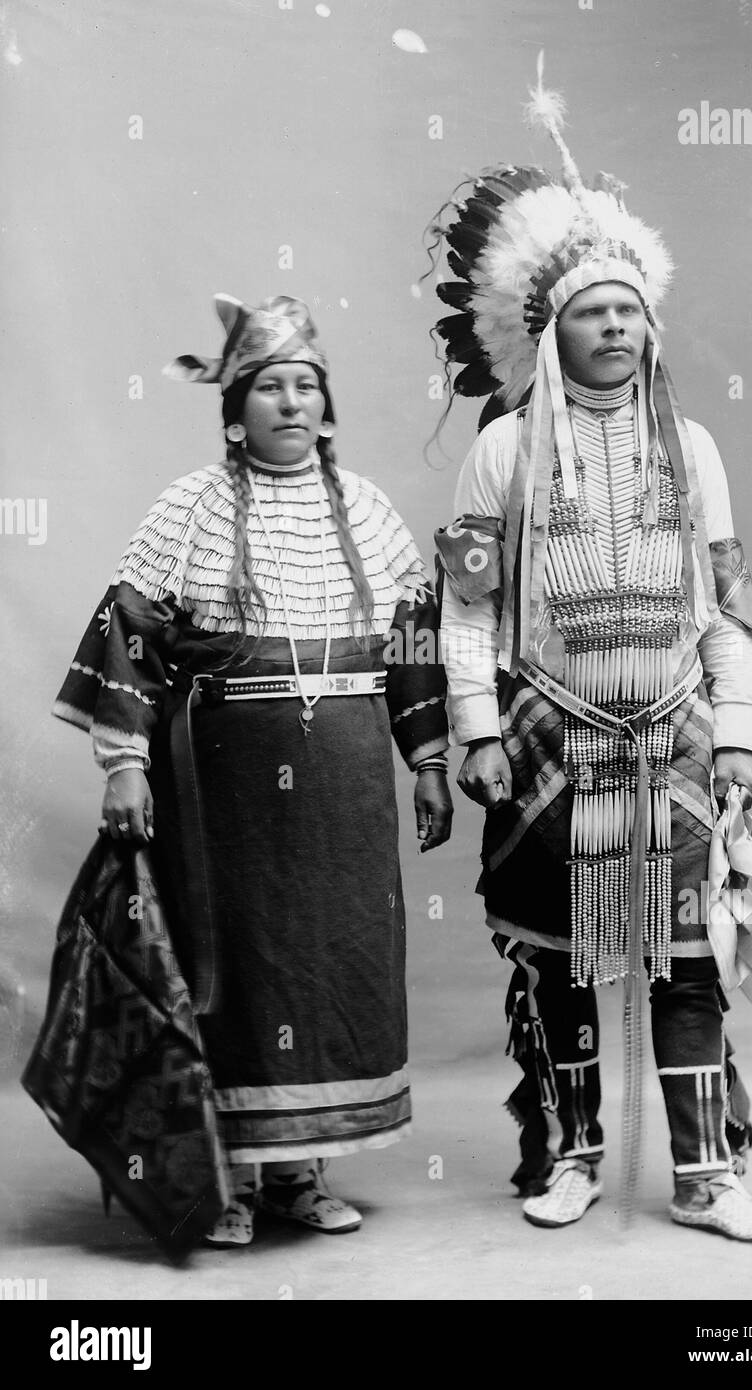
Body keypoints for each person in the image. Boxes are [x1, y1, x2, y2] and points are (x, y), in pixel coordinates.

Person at [428, 58, 752, 1241]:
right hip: (549, 743)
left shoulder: (692, 447)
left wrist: (735, 733)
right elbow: (469, 609)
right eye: (596, 311)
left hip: (673, 737)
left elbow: (725, 605)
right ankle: (569, 1156)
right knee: (568, 961)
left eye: (633, 310)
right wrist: (475, 731)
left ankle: (706, 1176)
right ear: (551, 328)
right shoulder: (505, 453)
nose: (620, 327)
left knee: (689, 959)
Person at [52, 293, 452, 1246]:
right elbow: (128, 641)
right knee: (232, 966)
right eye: (269, 385)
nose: (290, 402)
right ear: (235, 406)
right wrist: (124, 765)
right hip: (224, 785)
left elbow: (414, 644)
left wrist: (428, 761)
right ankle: (223, 1174)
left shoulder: (369, 510)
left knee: (327, 964)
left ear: (327, 406)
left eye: (306, 385)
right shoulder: (184, 509)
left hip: (346, 788)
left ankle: (299, 1178)